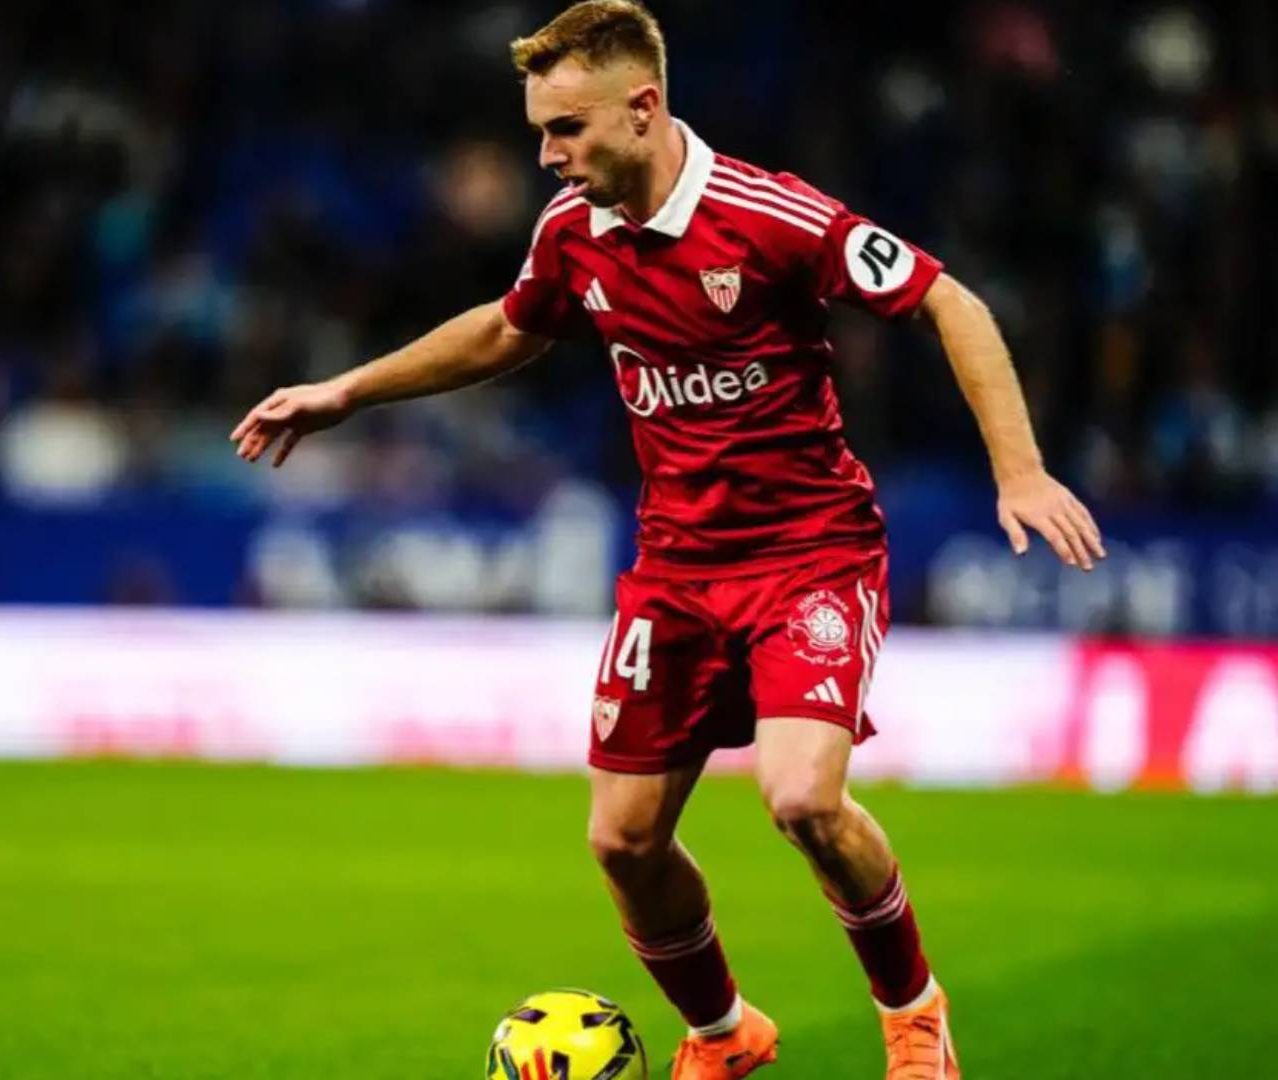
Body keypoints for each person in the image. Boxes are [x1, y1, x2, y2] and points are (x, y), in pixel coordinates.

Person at [231, 3, 1105, 1076]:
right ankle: (725, 1035)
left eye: (566, 130)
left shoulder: (769, 216)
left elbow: (948, 301)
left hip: (808, 555)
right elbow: (511, 325)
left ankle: (914, 1013)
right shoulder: (573, 232)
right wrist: (347, 392)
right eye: (540, 134)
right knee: (622, 842)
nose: (548, 158)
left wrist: (1018, 470)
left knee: (801, 799)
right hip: (677, 572)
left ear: (642, 109)